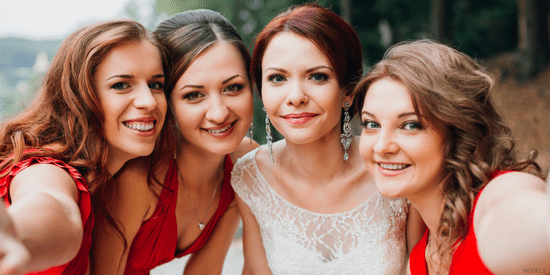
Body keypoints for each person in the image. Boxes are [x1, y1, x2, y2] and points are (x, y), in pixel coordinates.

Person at [231, 3, 420, 274]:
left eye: (317, 76)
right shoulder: (251, 176)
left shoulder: (394, 165)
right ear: (261, 91)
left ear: (349, 90)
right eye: (277, 78)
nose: (295, 96)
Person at [355, 39, 550, 274]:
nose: (381, 146)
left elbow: (532, 228)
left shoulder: (497, 196)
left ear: (457, 130)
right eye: (371, 123)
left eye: (410, 125)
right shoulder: (417, 261)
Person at [91, 10, 257, 275]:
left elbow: (205, 270)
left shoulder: (244, 161)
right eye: (193, 95)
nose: (219, 113)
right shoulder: (137, 179)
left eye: (233, 88)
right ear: (165, 101)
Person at [0, 19, 168, 275]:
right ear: (79, 96)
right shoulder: (47, 169)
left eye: (156, 84)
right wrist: (17, 235)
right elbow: (55, 206)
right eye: (121, 85)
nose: (148, 101)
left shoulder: (122, 179)